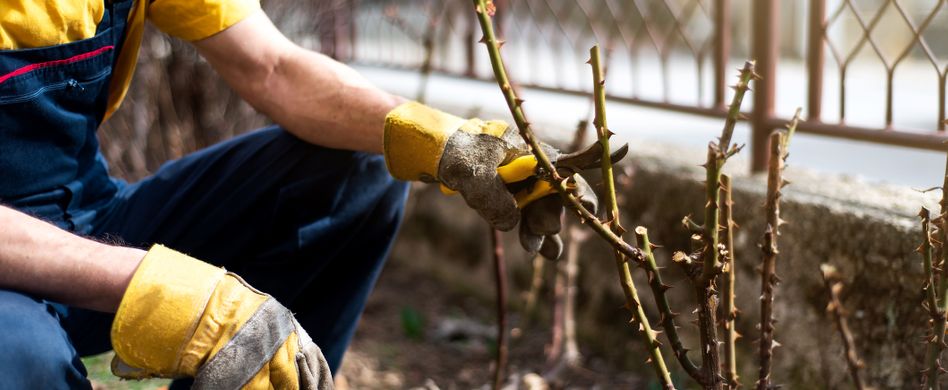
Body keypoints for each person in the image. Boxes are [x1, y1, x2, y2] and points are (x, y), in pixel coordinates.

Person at [0, 0, 599, 388]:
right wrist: (163, 292)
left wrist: (442, 141)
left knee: (355, 173)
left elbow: (273, 67)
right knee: (23, 360)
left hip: (85, 216)